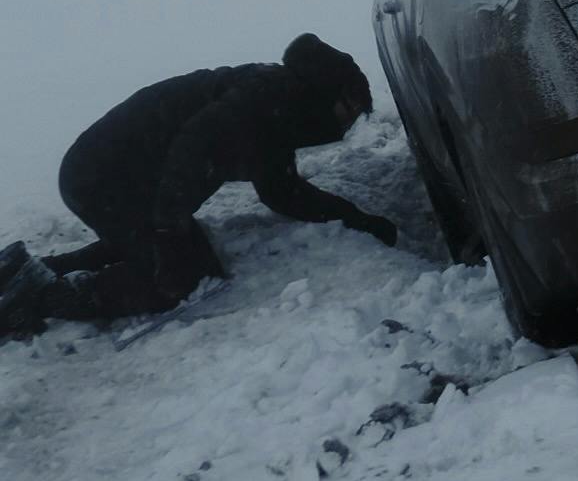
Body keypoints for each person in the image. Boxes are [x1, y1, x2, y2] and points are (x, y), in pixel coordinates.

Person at [0, 35, 397, 339]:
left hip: (111, 176)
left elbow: (282, 191)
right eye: (348, 110)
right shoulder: (264, 99)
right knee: (182, 277)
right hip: (101, 179)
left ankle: (26, 271)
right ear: (324, 92)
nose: (346, 126)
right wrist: (168, 230)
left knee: (165, 247)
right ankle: (39, 300)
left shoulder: (279, 102)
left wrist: (355, 218)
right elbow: (193, 148)